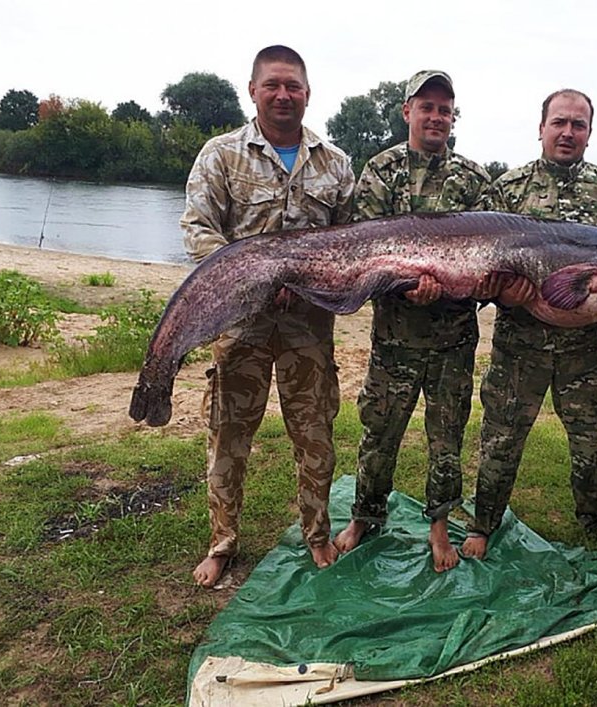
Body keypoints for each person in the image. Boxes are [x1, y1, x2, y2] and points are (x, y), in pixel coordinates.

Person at [181, 45, 355, 587]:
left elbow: (351, 245)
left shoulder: (335, 163)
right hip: (240, 325)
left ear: (307, 94)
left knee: (315, 435)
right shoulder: (221, 155)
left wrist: (312, 283)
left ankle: (317, 535)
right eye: (273, 85)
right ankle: (222, 542)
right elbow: (198, 229)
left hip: (309, 326)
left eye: (293, 86)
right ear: (253, 91)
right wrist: (254, 282)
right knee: (229, 435)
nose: (284, 95)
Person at [461, 89, 597, 560]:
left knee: (591, 438)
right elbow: (483, 269)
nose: (567, 132)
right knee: (500, 437)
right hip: (518, 345)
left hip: (584, 348)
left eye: (578, 125)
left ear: (589, 133)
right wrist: (502, 291)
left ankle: (596, 516)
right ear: (541, 127)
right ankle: (483, 521)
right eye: (559, 122)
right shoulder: (507, 190)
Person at [333, 70, 492, 572]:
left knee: (447, 439)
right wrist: (405, 286)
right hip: (394, 339)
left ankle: (439, 526)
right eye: (427, 107)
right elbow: (363, 251)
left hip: (454, 341)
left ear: (453, 117)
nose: (436, 117)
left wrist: (463, 287)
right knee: (379, 433)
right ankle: (365, 515)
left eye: (445, 109)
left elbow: (489, 261)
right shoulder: (380, 171)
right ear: (407, 112)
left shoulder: (474, 180)